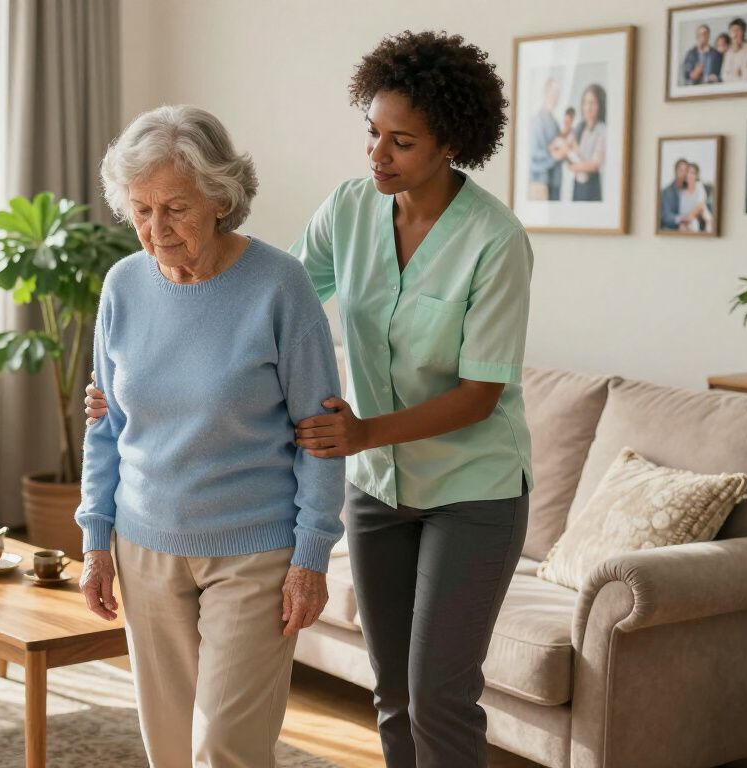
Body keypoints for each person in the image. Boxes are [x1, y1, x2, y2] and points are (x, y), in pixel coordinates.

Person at [88, 31, 534, 768]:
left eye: (401, 141)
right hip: (378, 487)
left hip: (470, 485)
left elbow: (483, 393)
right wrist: (138, 381)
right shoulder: (351, 211)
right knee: (391, 693)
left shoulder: (494, 240)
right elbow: (266, 303)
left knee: (437, 695)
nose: (377, 154)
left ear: (450, 142)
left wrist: (360, 436)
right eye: (372, 133)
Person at [75, 104, 345, 767]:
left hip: (252, 553)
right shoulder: (123, 287)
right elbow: (106, 426)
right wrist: (95, 540)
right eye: (140, 210)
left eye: (176, 208)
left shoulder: (280, 287)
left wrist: (311, 556)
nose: (155, 230)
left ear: (220, 198)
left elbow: (322, 436)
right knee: (168, 748)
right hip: (144, 546)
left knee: (227, 746)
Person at [567, 84, 607, 202]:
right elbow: (568, 148)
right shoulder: (580, 127)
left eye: (592, 103)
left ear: (599, 105)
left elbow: (595, 165)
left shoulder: (602, 130)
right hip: (578, 185)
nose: (588, 107)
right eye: (585, 103)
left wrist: (574, 167)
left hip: (591, 186)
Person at [527, 78, 562, 201]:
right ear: (545, 93)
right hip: (540, 184)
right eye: (553, 93)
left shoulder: (555, 122)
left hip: (554, 183)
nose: (556, 97)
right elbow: (534, 155)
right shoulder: (537, 121)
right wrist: (554, 156)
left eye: (558, 93)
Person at [720, 17, 747, 82]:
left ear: (743, 32)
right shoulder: (728, 51)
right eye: (733, 30)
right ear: (729, 33)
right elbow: (724, 75)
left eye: (738, 30)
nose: (735, 34)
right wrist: (738, 73)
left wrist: (742, 72)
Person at [677, 162, 713, 232]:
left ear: (696, 175)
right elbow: (681, 211)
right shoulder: (682, 192)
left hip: (698, 219)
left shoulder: (699, 186)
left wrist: (687, 219)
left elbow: (700, 206)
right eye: (688, 172)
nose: (690, 175)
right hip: (685, 220)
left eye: (693, 173)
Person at [660, 158, 689, 230]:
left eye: (686, 171)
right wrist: (681, 219)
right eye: (681, 170)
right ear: (675, 171)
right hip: (672, 229)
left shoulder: (690, 189)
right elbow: (666, 216)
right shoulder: (666, 192)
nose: (684, 174)